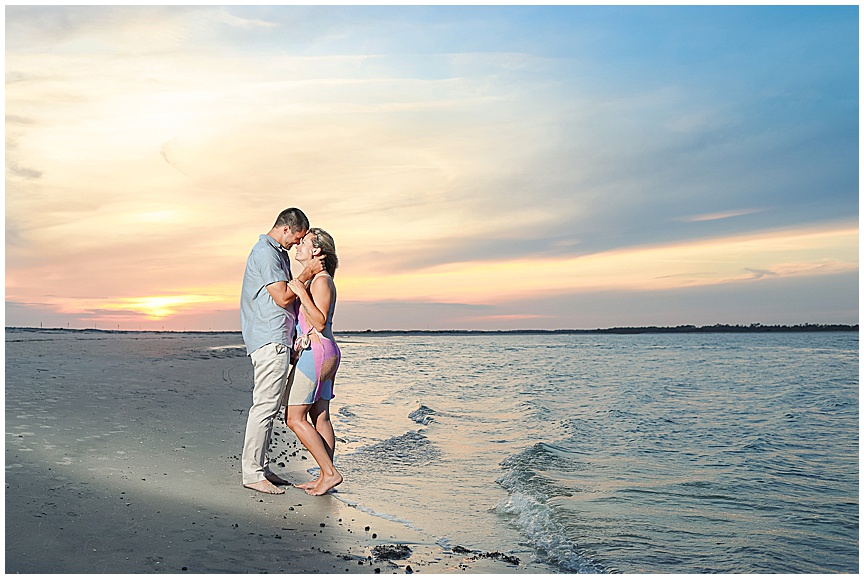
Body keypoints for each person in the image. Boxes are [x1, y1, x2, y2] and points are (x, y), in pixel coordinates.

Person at [239, 208, 324, 495]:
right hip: (269, 340)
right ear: (286, 229)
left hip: (277, 339)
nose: (296, 244)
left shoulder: (275, 253)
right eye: (297, 238)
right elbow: (282, 297)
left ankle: (260, 468)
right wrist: (308, 272)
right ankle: (252, 473)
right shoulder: (266, 252)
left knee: (269, 407)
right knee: (264, 407)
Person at [284, 228, 342, 496]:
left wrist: (299, 290)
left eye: (304, 243)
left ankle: (330, 473)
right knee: (320, 417)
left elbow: (318, 322)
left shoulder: (321, 281)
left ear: (316, 251)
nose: (298, 246)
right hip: (323, 352)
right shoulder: (318, 280)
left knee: (294, 418)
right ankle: (324, 477)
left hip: (317, 353)